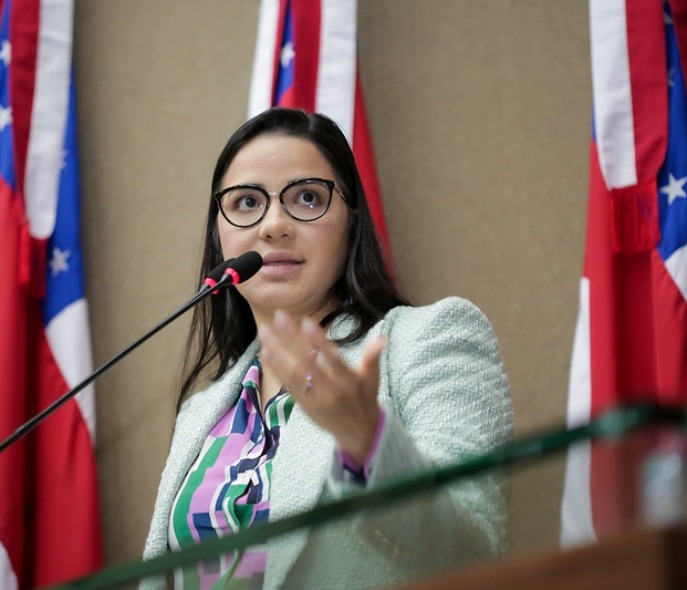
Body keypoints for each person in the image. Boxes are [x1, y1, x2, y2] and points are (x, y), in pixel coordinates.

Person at [142, 108, 514, 589]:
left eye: (307, 197)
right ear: (219, 232)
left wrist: (369, 443)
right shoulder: (201, 412)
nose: (274, 225)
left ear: (351, 224)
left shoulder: (431, 338)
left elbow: (473, 550)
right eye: (246, 202)